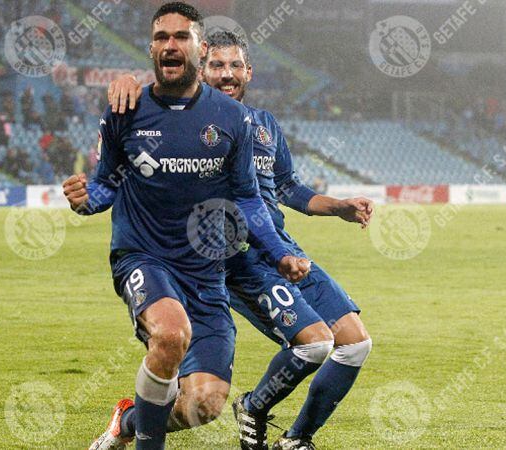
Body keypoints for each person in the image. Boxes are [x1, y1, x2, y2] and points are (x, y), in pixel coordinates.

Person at [107, 31, 374, 449]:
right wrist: (129, 84)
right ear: (200, 70)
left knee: (355, 344)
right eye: (216, 65)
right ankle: (250, 408)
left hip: (284, 251)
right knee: (314, 345)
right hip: (240, 259)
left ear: (249, 72)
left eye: (235, 66)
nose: (227, 74)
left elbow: (288, 187)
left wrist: (338, 206)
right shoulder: (185, 125)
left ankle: (296, 439)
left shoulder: (264, 125)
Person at [63, 3, 310, 449]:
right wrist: (84, 201)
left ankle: (128, 422)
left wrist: (280, 253)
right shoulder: (125, 109)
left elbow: (248, 198)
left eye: (181, 37)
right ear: (151, 48)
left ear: (201, 48)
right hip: (144, 256)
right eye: (161, 37)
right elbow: (105, 185)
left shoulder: (233, 119)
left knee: (204, 405)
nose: (170, 45)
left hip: (205, 276)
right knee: (171, 334)